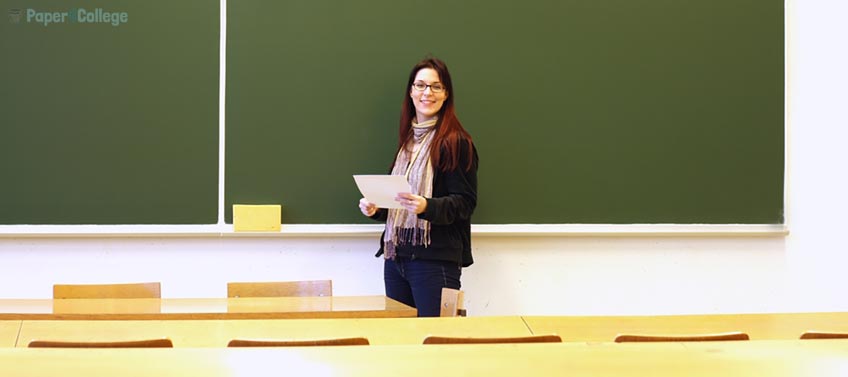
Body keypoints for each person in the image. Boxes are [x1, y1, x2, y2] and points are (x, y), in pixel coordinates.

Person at [358, 57, 478, 317]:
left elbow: (465, 202)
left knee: (436, 342)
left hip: (434, 261)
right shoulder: (407, 143)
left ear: (446, 94)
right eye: (421, 85)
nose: (427, 93)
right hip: (396, 256)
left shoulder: (456, 142)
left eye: (436, 87)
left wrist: (427, 206)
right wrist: (376, 208)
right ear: (411, 91)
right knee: (401, 342)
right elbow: (398, 201)